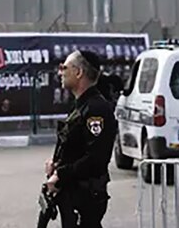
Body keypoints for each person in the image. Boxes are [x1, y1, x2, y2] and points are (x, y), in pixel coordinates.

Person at [43, 50, 118, 227]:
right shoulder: (81, 106)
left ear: (78, 72)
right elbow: (75, 147)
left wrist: (61, 174)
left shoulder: (96, 110)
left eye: (64, 67)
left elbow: (96, 159)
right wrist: (56, 164)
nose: (60, 72)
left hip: (86, 195)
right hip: (73, 192)